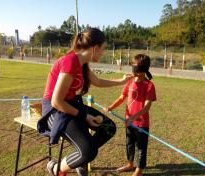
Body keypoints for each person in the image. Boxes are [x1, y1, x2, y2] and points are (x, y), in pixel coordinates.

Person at [37, 27, 133, 176]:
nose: (103, 53)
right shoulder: (70, 61)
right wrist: (84, 116)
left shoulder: (82, 63)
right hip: (54, 110)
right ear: (94, 48)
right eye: (103, 49)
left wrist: (122, 81)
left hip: (71, 104)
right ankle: (56, 168)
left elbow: (99, 82)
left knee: (108, 128)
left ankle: (79, 159)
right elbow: (56, 101)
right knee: (88, 151)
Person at [105, 54, 156, 176]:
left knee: (141, 147)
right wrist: (111, 106)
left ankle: (139, 170)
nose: (134, 69)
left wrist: (134, 117)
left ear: (144, 69)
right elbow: (122, 97)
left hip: (141, 123)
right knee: (129, 143)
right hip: (128, 121)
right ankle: (130, 164)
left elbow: (147, 107)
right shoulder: (129, 82)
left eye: (136, 67)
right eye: (133, 66)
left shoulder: (149, 85)